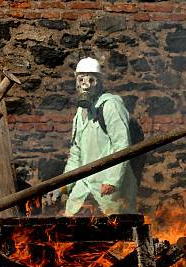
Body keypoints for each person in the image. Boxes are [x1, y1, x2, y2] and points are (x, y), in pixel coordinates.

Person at [52, 57, 138, 216]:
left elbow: (122, 145)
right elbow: (76, 154)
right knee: (70, 229)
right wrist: (64, 185)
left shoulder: (111, 105)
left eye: (91, 79)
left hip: (107, 187)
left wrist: (112, 181)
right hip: (84, 186)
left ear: (99, 81)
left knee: (117, 231)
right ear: (76, 80)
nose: (85, 84)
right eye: (81, 78)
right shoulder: (80, 113)